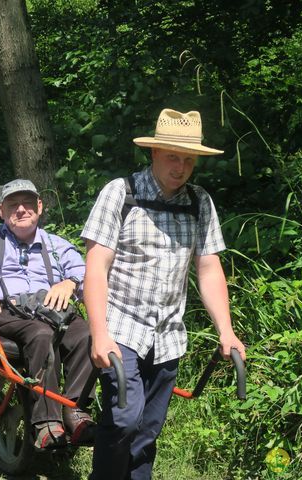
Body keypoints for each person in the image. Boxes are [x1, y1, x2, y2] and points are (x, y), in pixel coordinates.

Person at [82, 108, 247, 479]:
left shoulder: (199, 202)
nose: (181, 166)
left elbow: (208, 269)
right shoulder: (121, 193)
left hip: (168, 336)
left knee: (147, 432)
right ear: (154, 153)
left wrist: (226, 329)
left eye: (189, 159)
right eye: (173, 156)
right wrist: (99, 333)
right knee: (124, 420)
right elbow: (96, 268)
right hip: (120, 328)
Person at [0, 179, 95, 449]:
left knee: (89, 334)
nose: (21, 209)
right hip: (5, 313)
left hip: (52, 311)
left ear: (40, 207)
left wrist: (71, 283)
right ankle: (45, 422)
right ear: (1, 211)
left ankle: (75, 409)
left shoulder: (56, 245)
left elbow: (87, 274)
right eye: (13, 204)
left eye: (28, 203)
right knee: (41, 335)